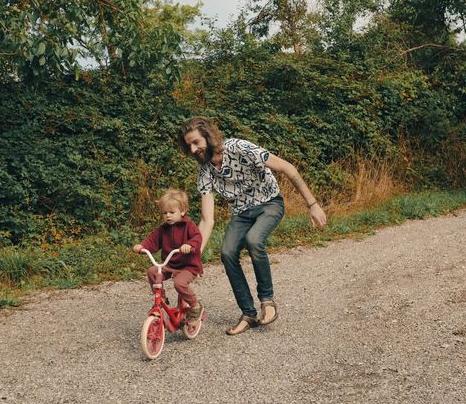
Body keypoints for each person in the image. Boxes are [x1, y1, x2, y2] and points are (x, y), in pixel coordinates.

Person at [178, 116, 327, 335]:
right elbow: (207, 219)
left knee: (254, 240)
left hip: (269, 203)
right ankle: (248, 313)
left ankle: (267, 303)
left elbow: (288, 168)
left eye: (196, 142)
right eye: (188, 145)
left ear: (208, 137)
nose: (192, 149)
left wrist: (312, 204)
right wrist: (195, 252)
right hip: (241, 213)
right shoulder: (205, 172)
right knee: (227, 252)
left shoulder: (239, 147)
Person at [133, 189, 204, 325]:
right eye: (165, 213)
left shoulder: (188, 226)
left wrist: (189, 245)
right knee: (152, 272)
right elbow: (152, 240)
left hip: (188, 266)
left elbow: (197, 237)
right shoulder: (163, 229)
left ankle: (195, 306)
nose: (168, 216)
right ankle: (161, 299)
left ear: (182, 211)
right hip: (170, 264)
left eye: (172, 212)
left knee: (179, 283)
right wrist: (142, 246)